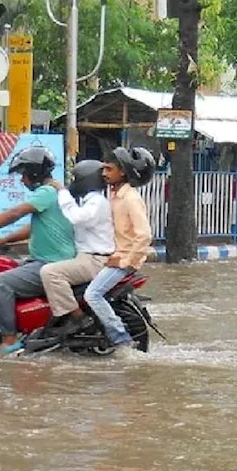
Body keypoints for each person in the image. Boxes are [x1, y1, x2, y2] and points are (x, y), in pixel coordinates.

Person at [0, 146, 75, 354]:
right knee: (2, 269)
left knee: (0, 283)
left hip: (50, 264)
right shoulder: (54, 193)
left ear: (34, 172)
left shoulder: (47, 192)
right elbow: (32, 228)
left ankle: (9, 341)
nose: (22, 180)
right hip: (44, 260)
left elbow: (14, 213)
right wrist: (2, 240)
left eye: (23, 175)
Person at [83, 146, 156, 349]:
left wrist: (125, 261)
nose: (104, 174)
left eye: (109, 169)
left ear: (122, 172)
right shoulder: (113, 195)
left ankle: (121, 339)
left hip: (123, 261)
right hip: (111, 255)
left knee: (93, 294)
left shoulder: (131, 198)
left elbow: (144, 235)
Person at [37, 159, 115, 340]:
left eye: (77, 178)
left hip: (94, 260)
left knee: (50, 273)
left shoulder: (97, 202)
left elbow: (78, 218)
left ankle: (77, 318)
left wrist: (62, 192)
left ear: (86, 180)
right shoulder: (90, 201)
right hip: (87, 257)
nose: (74, 183)